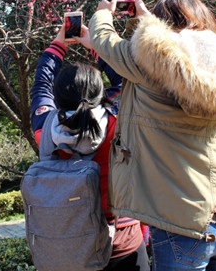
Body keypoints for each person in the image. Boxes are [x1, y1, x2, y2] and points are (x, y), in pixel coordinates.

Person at [89, 0, 216, 271]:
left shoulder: (150, 65)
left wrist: (103, 14)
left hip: (180, 225)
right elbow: (156, 50)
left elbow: (106, 42)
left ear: (163, 23)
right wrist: (141, 22)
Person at [31, 23, 150, 271]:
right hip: (123, 242)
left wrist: (58, 45)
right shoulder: (119, 121)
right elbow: (125, 80)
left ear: (57, 97)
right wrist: (95, 45)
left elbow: (42, 84)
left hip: (70, 248)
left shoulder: (45, 128)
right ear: (100, 94)